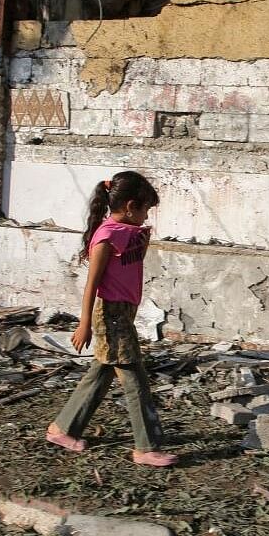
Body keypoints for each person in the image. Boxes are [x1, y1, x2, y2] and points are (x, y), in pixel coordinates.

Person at [46, 171, 177, 467]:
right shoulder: (105, 238)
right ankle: (146, 447)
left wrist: (141, 240)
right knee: (134, 379)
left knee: (102, 373)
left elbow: (131, 265)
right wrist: (84, 324)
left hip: (124, 314)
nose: (145, 216)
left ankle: (63, 429)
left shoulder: (127, 233)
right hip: (111, 315)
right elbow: (92, 284)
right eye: (144, 210)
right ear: (130, 206)